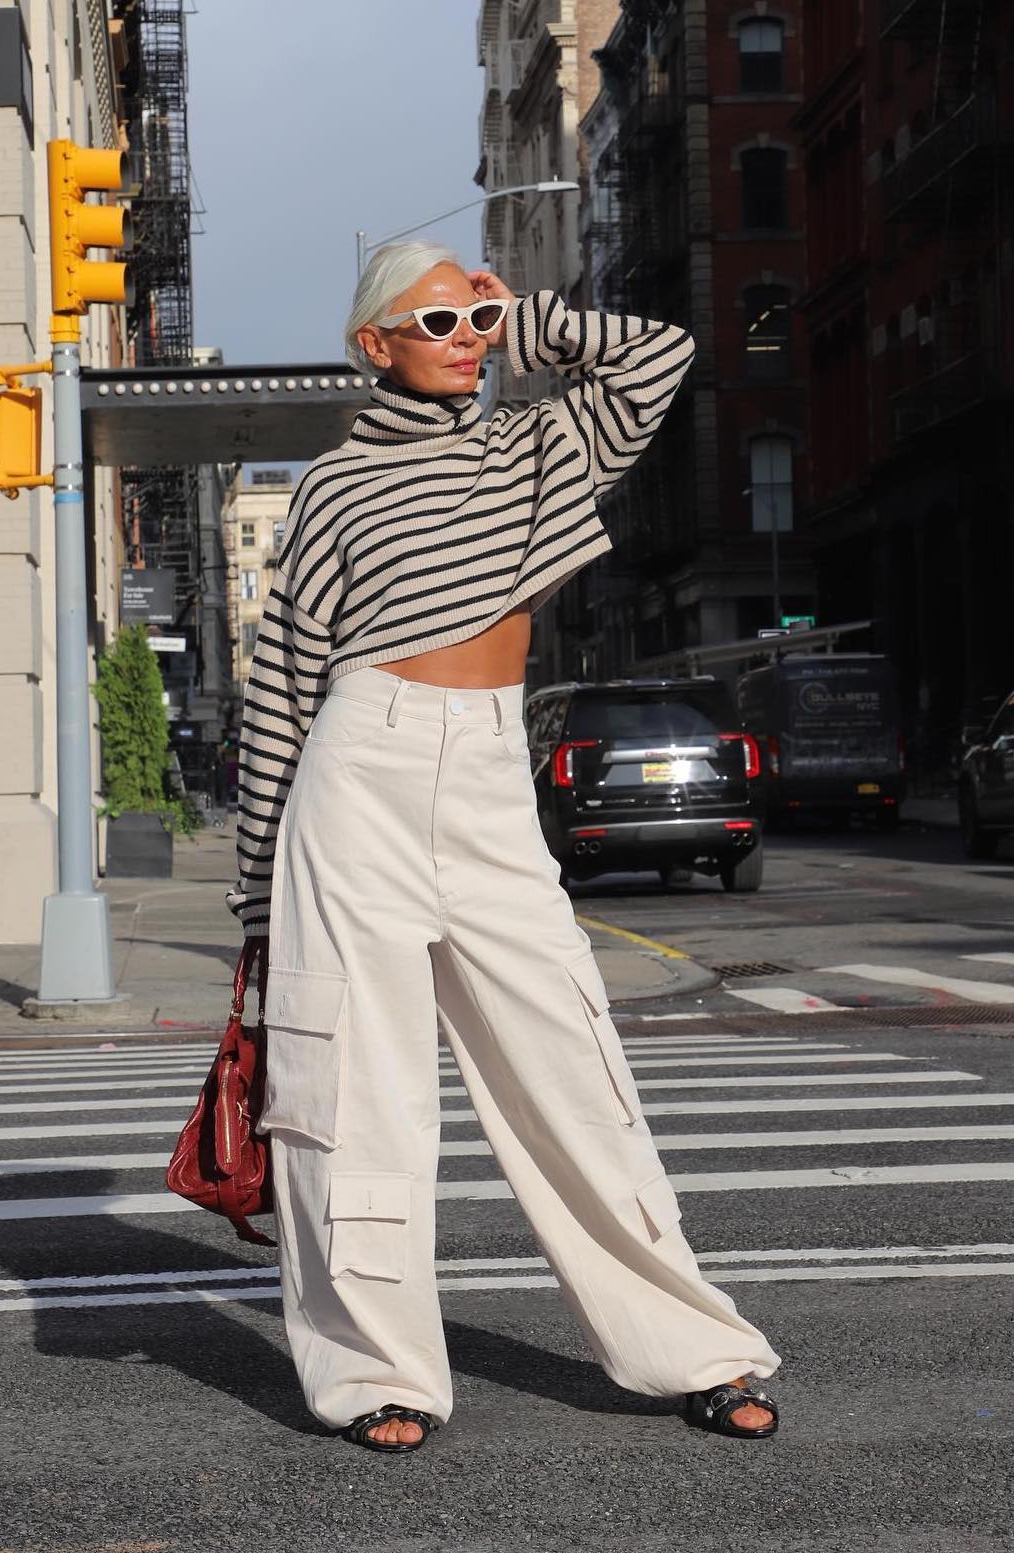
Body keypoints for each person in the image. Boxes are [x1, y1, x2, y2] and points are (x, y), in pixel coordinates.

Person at [227, 243, 781, 1453]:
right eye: (434, 317)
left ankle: (694, 1346)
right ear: (372, 344)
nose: (464, 335)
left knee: (572, 1068)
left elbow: (660, 356)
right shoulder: (328, 489)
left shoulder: (533, 446)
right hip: (356, 765)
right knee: (351, 1088)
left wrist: (516, 312)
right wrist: (257, 901)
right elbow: (278, 686)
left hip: (485, 769)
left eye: (472, 314)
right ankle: (376, 1369)